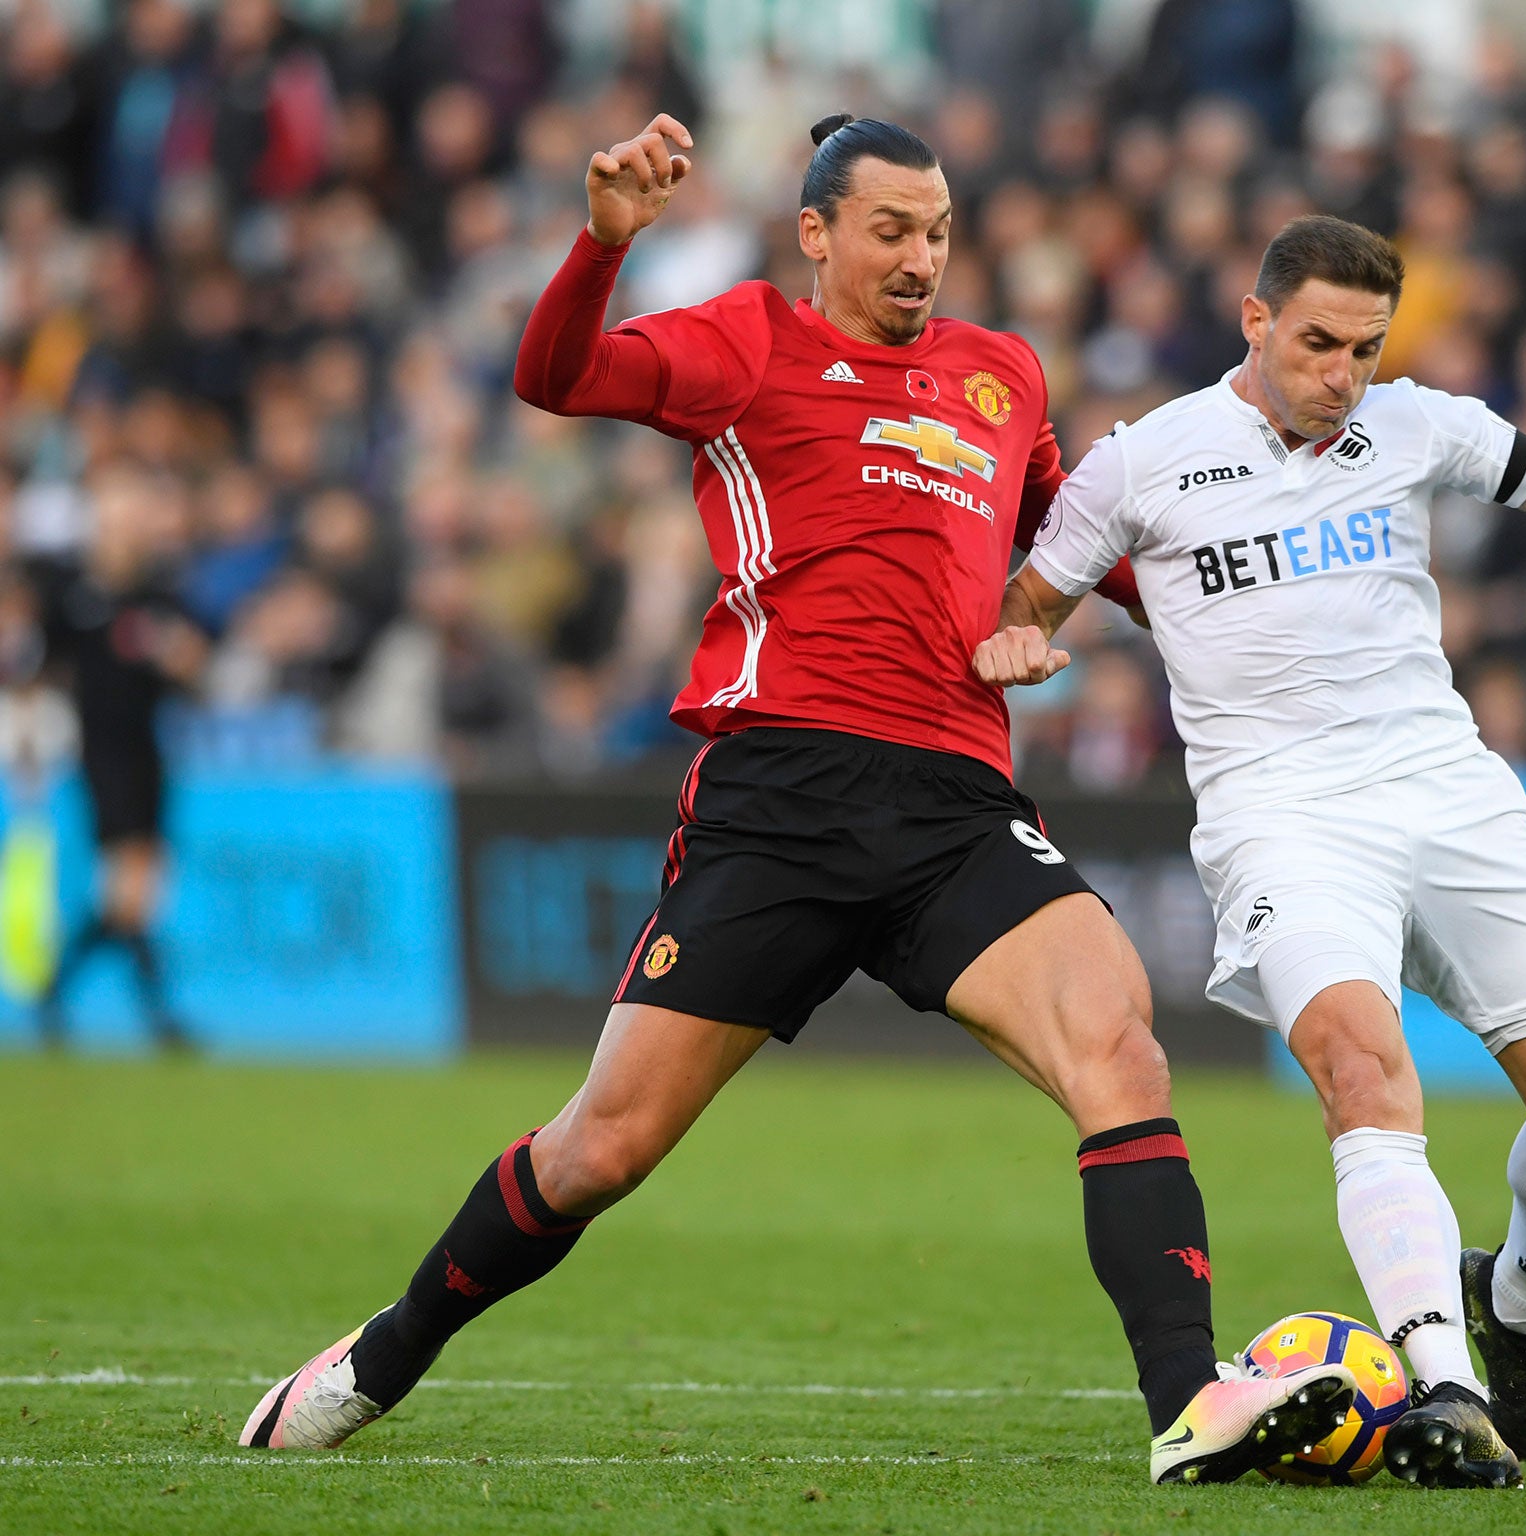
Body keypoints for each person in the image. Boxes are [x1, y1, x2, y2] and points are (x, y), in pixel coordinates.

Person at [242, 115, 1356, 1484]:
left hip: (955, 802)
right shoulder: (744, 341)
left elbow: (1084, 547)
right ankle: (382, 1357)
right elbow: (556, 375)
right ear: (817, 232)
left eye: (938, 232)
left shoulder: (1000, 376)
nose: (920, 259)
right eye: (890, 231)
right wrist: (605, 241)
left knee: (1120, 1051)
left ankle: (1190, 1407)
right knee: (603, 1149)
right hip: (781, 794)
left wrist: (1236, 593)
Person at [976, 214, 1526, 1488]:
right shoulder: (1142, 462)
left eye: (1364, 348)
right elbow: (1026, 604)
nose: (1341, 374)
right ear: (1253, 320)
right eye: (1317, 342)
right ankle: (1443, 1385)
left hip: (1445, 794)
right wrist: (1019, 645)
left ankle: (1515, 1301)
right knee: (1363, 1072)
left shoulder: (1416, 423)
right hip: (1280, 818)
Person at [32, 464, 208, 1051]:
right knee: (130, 891)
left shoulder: (157, 593)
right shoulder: (72, 592)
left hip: (146, 750)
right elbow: (43, 668)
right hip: (101, 754)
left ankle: (56, 990)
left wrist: (180, 656)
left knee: (135, 896)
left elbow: (192, 660)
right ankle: (160, 1020)